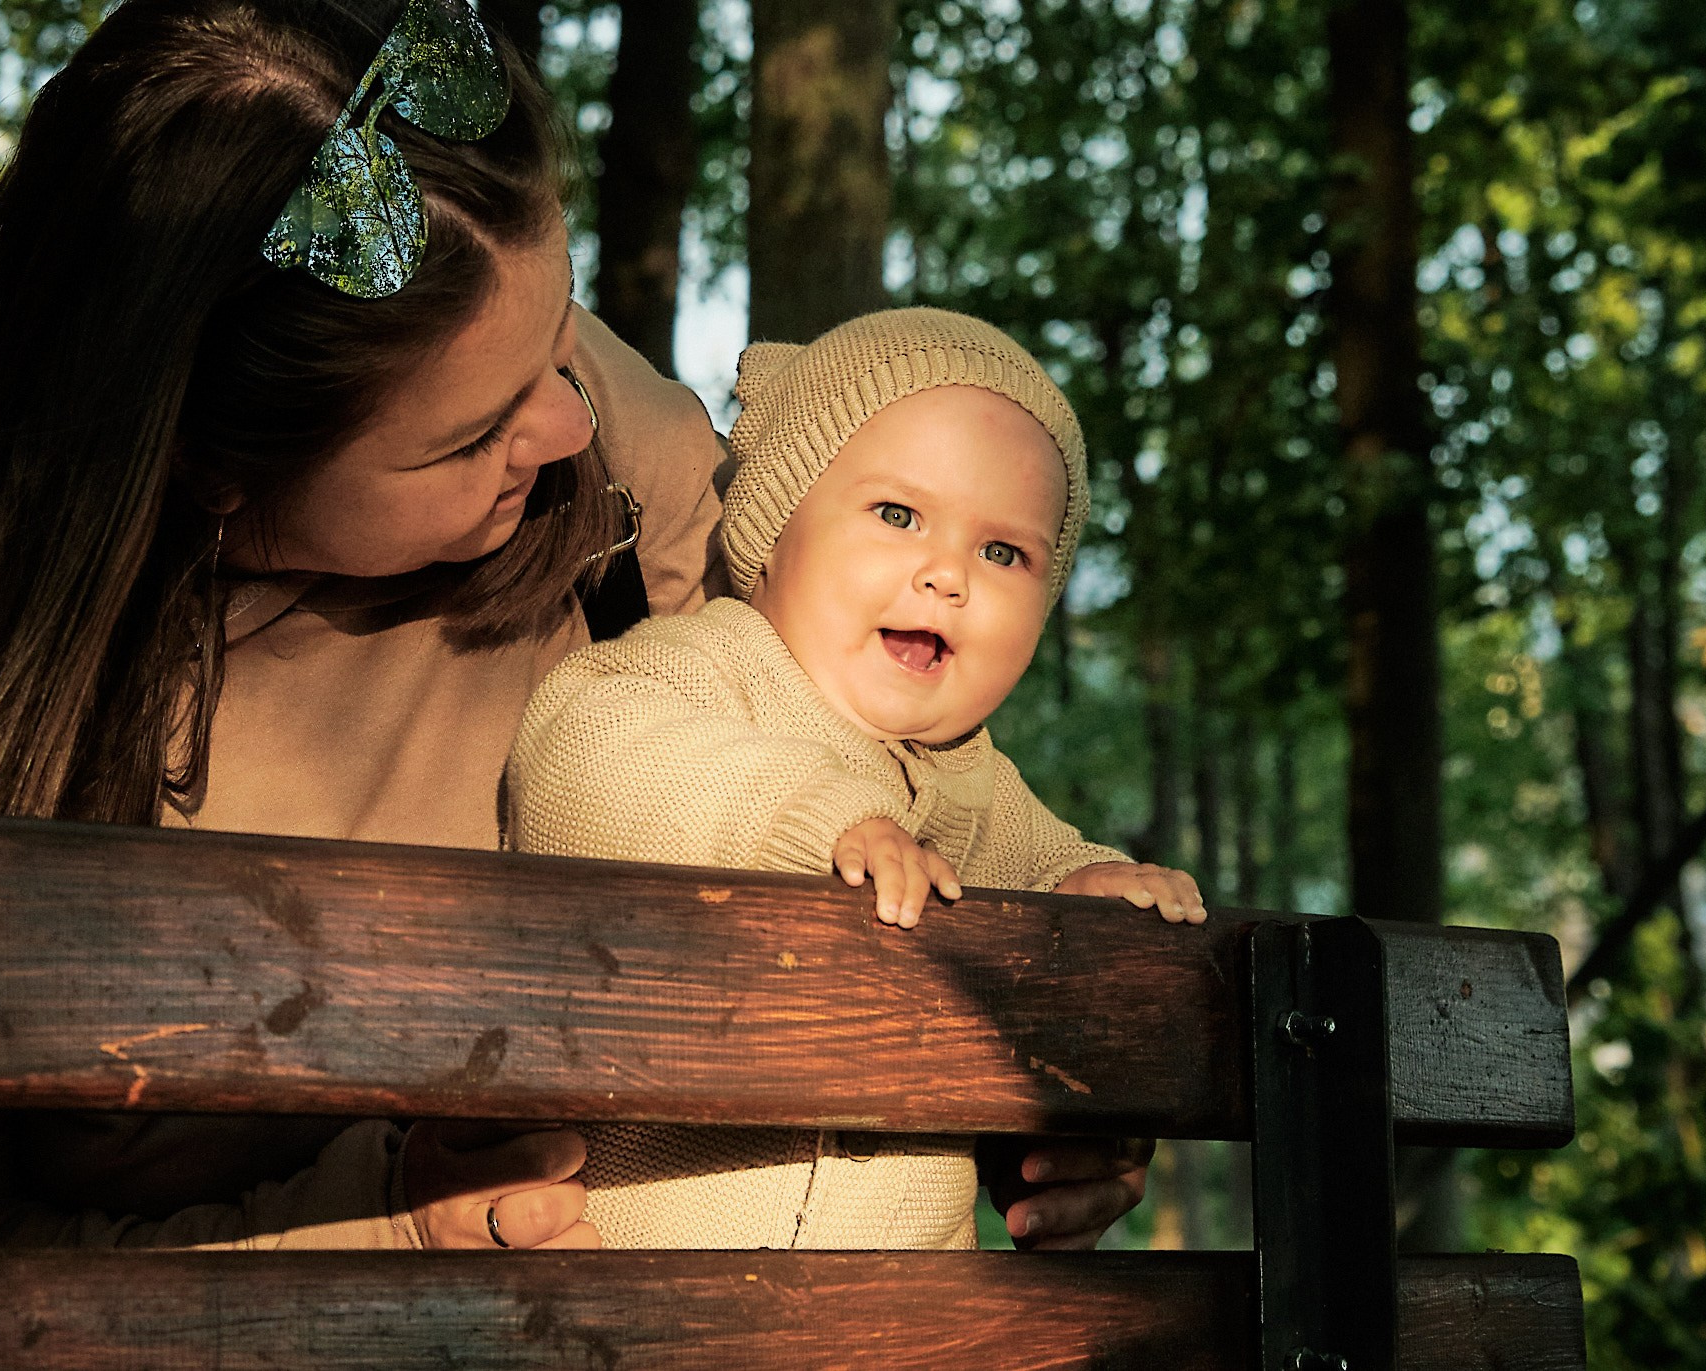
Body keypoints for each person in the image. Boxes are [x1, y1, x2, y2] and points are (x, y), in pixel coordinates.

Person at [0, 0, 1150, 1254]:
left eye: (565, 342)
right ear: (217, 477)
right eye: (471, 436)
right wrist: (382, 1228)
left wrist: (1017, 1076)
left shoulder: (578, 415)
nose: (565, 427)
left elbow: (863, 760)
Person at [506, 308, 1205, 1250]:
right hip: (647, 1287)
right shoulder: (715, 671)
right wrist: (816, 817)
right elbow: (581, 750)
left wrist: (1097, 901)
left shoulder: (980, 786)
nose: (948, 574)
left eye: (1004, 552)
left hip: (895, 1316)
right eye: (898, 514)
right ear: (773, 530)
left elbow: (1050, 862)